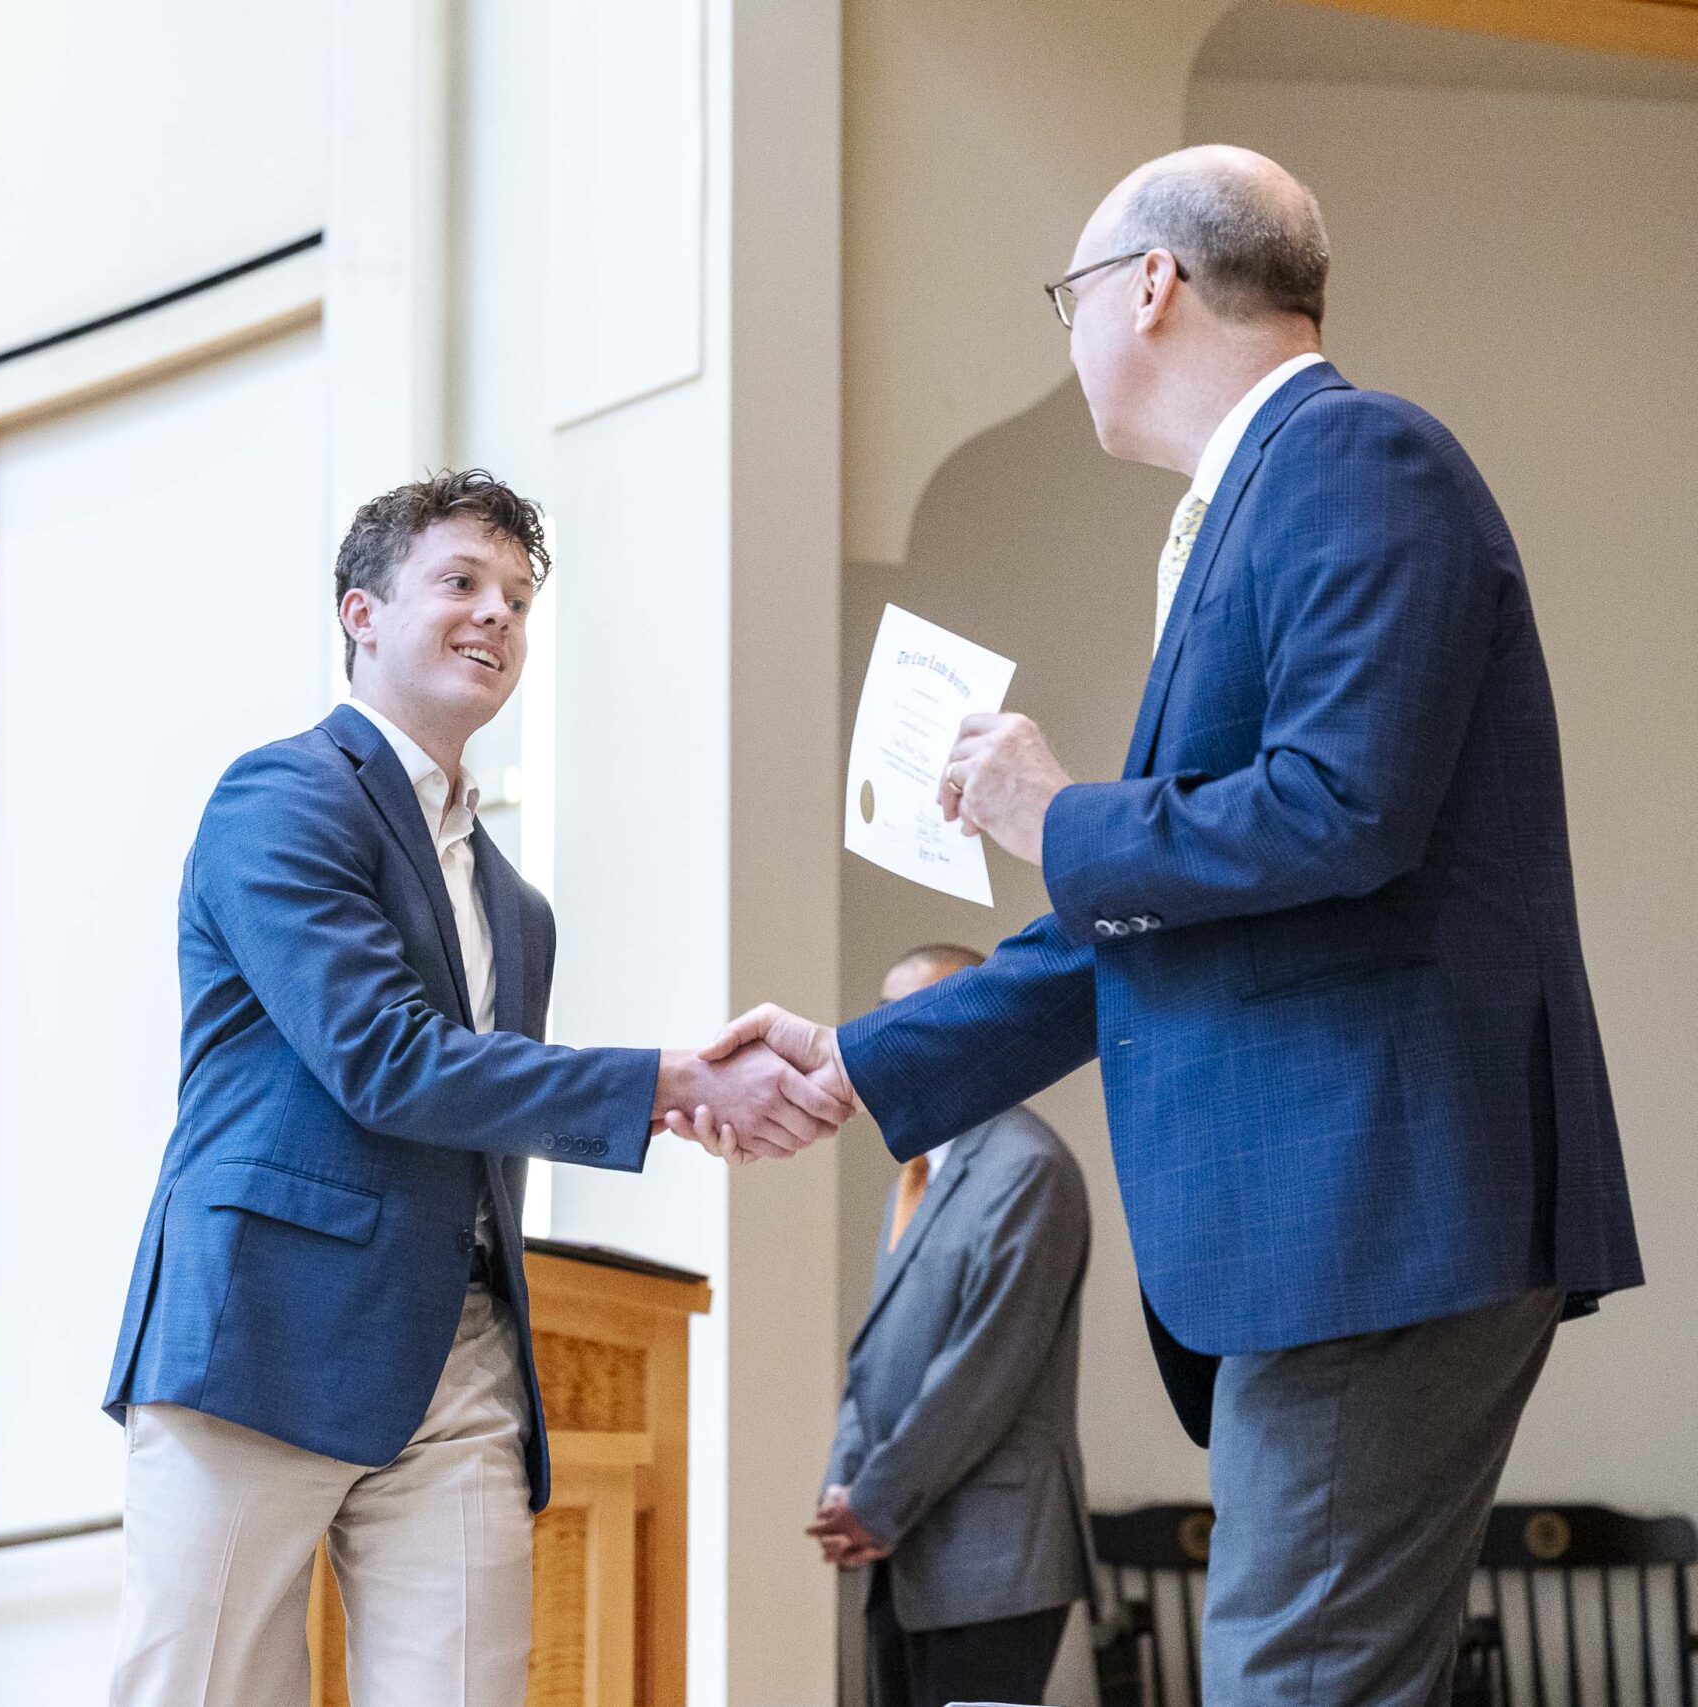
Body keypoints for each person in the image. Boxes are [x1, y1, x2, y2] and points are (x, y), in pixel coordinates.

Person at [698, 147, 1641, 1705]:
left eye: (1068, 296)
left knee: (1293, 1679)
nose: (1067, 335)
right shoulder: (1257, 503)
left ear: (1150, 285)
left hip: (1374, 1207)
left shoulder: (1356, 456)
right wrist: (853, 1061)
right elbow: (1139, 923)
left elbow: (1343, 805)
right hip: (1349, 1222)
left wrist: (1054, 811)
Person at [102, 470, 848, 1707]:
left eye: (516, 596)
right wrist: (668, 1083)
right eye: (459, 582)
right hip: (263, 1331)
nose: (496, 613)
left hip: (459, 1355)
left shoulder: (518, 904)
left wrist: (680, 1097)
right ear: (361, 614)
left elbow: (483, 1108)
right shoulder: (281, 796)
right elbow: (383, 1059)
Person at [813, 943, 1093, 1707]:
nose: (886, 1034)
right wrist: (843, 1478)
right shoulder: (918, 1171)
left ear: (977, 1021)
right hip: (899, 1549)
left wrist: (872, 1502)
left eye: (912, 1015)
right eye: (881, 1013)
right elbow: (877, 1350)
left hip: (990, 1559)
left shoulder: (1026, 1165)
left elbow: (983, 1372)